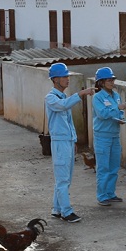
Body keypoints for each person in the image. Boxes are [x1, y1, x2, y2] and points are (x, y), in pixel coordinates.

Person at [45, 62, 94, 223]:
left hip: (66, 141)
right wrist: (81, 94)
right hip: (59, 142)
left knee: (65, 178)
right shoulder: (51, 98)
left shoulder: (63, 96)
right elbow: (63, 106)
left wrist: (73, 140)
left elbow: (68, 121)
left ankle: (57, 208)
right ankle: (66, 211)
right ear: (55, 79)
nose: (67, 79)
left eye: (67, 76)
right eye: (64, 77)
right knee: (63, 179)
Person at [91, 67, 126, 206]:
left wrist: (122, 118)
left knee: (114, 166)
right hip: (102, 137)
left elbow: (118, 113)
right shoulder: (97, 97)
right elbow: (102, 114)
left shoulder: (116, 95)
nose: (112, 82)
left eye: (113, 79)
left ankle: (110, 193)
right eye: (109, 80)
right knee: (103, 167)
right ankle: (102, 196)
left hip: (114, 135)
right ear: (101, 82)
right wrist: (117, 109)